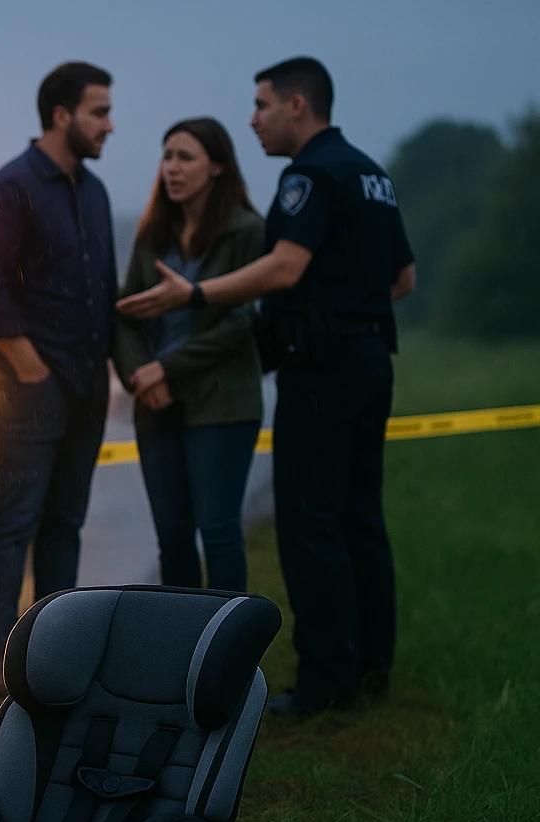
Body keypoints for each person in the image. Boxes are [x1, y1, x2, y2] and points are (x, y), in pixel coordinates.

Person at [118, 57, 416, 717]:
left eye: (261, 106)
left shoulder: (307, 176)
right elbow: (403, 280)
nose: (253, 119)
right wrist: (349, 303)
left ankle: (324, 684)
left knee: (310, 525)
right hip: (372, 357)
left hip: (323, 369)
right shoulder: (372, 175)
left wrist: (195, 292)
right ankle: (369, 669)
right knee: (361, 518)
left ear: (298, 106)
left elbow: (283, 268)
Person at [0, 62, 116, 696]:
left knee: (65, 525)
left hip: (88, 386)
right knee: (15, 521)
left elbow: (101, 288)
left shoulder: (96, 191)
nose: (110, 125)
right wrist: (30, 369)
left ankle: (52, 654)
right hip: (32, 388)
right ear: (62, 116)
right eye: (99, 112)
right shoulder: (11, 188)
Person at [113, 118, 266, 593]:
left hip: (221, 403)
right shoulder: (153, 233)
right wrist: (142, 374)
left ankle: (230, 655)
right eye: (167, 157)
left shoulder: (246, 231)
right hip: (157, 402)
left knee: (218, 534)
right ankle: (179, 652)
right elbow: (126, 315)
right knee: (172, 539)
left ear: (217, 167)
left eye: (186, 157)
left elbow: (242, 321)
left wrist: (168, 367)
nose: (172, 169)